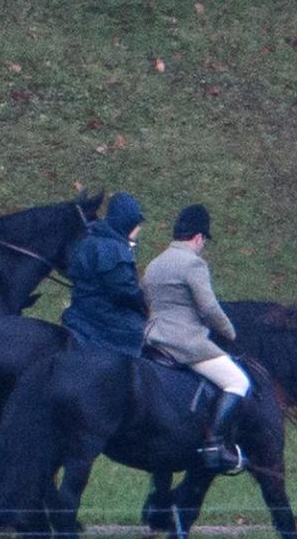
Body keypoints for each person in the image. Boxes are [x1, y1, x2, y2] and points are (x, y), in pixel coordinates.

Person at [142, 204, 250, 473]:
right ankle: (214, 445)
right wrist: (229, 332)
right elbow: (208, 308)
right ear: (199, 237)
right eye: (204, 241)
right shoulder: (193, 263)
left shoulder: (155, 263)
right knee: (238, 381)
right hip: (184, 342)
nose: (203, 247)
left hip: (153, 339)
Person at [61, 191, 146, 356]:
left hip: (79, 314)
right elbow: (125, 292)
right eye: (135, 225)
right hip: (105, 324)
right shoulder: (114, 250)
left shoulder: (89, 240)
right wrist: (145, 305)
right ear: (127, 223)